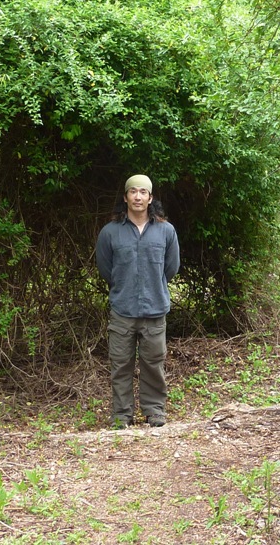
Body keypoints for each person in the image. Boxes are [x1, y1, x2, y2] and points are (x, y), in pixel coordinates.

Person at [95, 174, 180, 428]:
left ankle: (154, 411)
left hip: (155, 309)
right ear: (126, 197)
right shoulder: (110, 232)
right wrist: (125, 287)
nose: (138, 197)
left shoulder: (166, 231)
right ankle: (122, 415)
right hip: (123, 310)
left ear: (151, 198)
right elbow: (106, 269)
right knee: (120, 364)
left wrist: (153, 286)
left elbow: (171, 268)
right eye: (133, 192)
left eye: (143, 192)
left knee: (153, 364)